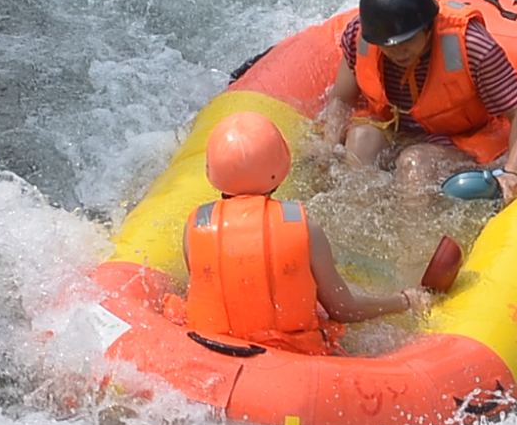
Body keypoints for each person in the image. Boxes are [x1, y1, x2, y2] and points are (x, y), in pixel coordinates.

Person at [182, 111, 426, 355]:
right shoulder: (304, 227)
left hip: (213, 349)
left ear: (211, 172)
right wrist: (404, 300)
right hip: (290, 355)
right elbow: (345, 310)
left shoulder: (196, 225)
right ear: (281, 167)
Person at [318, 0, 517, 195]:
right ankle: (357, 213)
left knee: (415, 163)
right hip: (397, 131)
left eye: (407, 41)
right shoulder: (363, 36)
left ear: (428, 27)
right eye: (389, 45)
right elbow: (341, 100)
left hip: (458, 142)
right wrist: (328, 146)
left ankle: (412, 220)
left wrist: (513, 172)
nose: (398, 52)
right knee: (360, 140)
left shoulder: (473, 47)